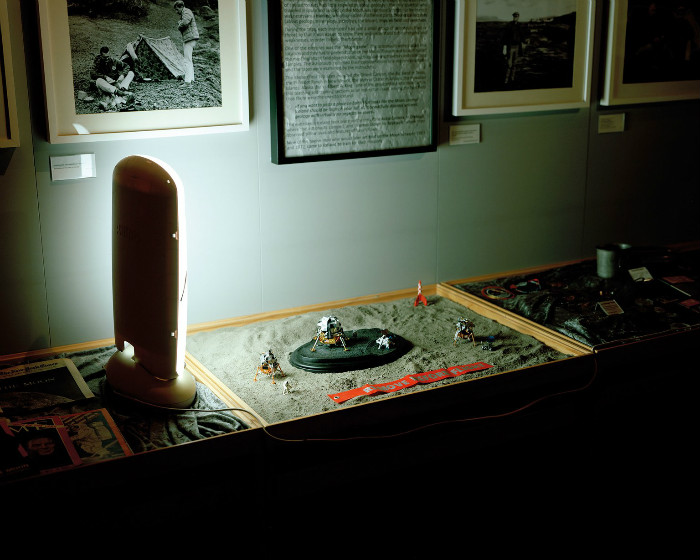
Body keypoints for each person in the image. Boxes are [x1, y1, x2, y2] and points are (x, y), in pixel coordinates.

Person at [174, 1, 199, 83]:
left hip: (190, 38)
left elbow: (185, 23)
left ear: (181, 7)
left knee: (187, 60)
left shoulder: (186, 12)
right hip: (190, 38)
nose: (176, 11)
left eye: (177, 9)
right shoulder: (186, 12)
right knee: (189, 60)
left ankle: (187, 81)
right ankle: (191, 79)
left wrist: (179, 25)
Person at [501, 12, 526, 85]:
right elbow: (505, 37)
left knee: (515, 64)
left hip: (517, 47)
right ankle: (506, 80)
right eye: (515, 16)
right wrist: (504, 47)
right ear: (513, 17)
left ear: (518, 17)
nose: (516, 18)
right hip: (510, 47)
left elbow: (522, 35)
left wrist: (525, 42)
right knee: (509, 64)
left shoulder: (519, 26)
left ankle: (512, 79)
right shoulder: (509, 25)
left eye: (517, 16)